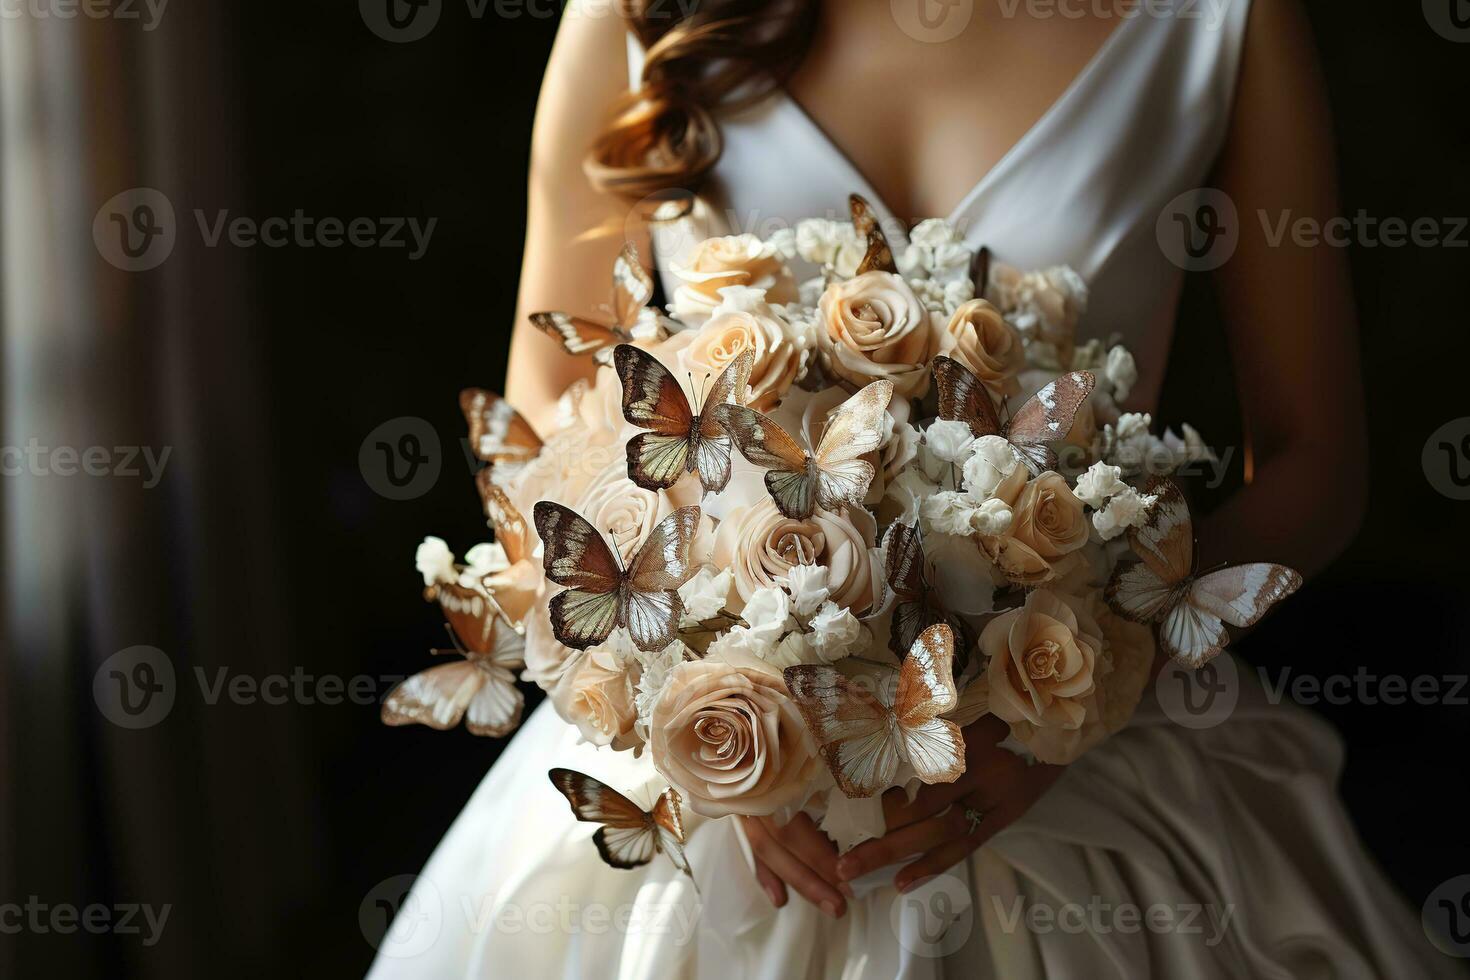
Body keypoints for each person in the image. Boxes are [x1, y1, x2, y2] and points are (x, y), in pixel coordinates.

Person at [370, 2, 1461, 975]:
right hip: (708, 807)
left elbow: (1317, 460)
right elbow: (539, 421)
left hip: (1083, 768)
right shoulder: (639, 13)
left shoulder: (1219, 20)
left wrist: (1072, 700)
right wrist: (693, 708)